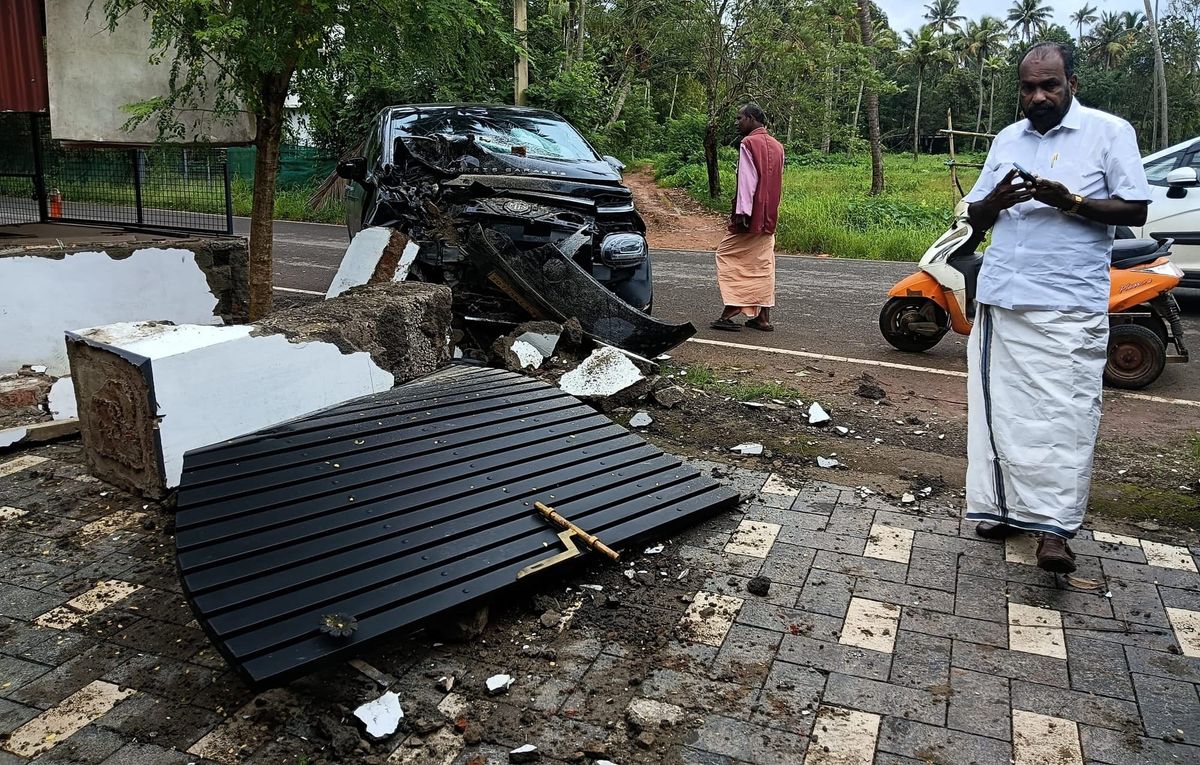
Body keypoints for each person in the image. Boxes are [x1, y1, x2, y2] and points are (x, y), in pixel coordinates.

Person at [961, 42, 1151, 573]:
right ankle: (1006, 509)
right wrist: (993, 203)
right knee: (1001, 416)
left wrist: (1070, 201)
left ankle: (1054, 531)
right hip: (1003, 299)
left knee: (1063, 420)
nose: (1038, 96)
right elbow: (975, 215)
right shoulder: (1007, 139)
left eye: (1050, 85)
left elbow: (1134, 208)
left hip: (1068, 304)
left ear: (1072, 84)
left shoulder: (1109, 132)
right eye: (1028, 87)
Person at [710, 102, 784, 332]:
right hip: (769, 215)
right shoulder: (777, 146)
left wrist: (742, 212)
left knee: (728, 255)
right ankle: (763, 317)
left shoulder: (748, 143)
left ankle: (732, 309)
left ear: (752, 118)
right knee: (763, 263)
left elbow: (747, 180)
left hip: (750, 216)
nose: (737, 122)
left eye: (740, 118)